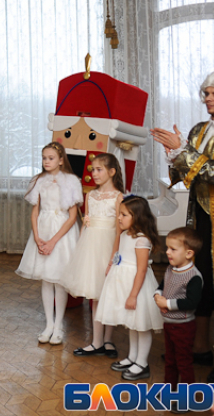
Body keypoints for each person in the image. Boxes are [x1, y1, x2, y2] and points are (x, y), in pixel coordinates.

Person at [151, 70, 214, 383]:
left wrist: (181, 151)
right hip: (198, 221)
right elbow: (185, 176)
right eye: (206, 94)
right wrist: (173, 156)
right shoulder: (200, 129)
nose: (208, 99)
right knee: (200, 285)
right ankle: (198, 347)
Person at [16, 142, 82, 346]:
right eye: (44, 157)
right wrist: (37, 237)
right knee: (46, 278)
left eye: (51, 158)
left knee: (59, 279)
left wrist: (54, 241)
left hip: (62, 233)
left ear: (61, 160)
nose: (47, 161)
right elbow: (35, 211)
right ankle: (49, 324)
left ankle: (59, 326)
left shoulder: (71, 181)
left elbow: (72, 217)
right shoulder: (38, 180)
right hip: (43, 229)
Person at [63, 153, 124, 358]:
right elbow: (86, 224)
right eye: (92, 170)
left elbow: (119, 230)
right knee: (96, 294)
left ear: (112, 172)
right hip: (91, 248)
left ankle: (108, 340)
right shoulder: (91, 195)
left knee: (109, 294)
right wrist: (79, 250)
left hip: (109, 247)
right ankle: (97, 341)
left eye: (99, 170)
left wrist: (113, 257)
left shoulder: (119, 197)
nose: (94, 174)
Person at [96, 195, 163, 380]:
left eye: (124, 215)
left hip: (137, 287)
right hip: (123, 283)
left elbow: (141, 270)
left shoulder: (142, 240)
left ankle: (142, 363)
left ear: (137, 216)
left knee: (142, 326)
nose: (119, 218)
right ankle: (133, 357)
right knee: (132, 324)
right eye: (119, 214)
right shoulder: (125, 235)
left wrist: (133, 295)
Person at [154, 227, 203, 399]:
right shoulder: (170, 269)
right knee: (170, 360)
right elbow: (162, 286)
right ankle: (169, 389)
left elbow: (191, 302)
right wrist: (157, 295)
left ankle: (187, 398)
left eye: (173, 249)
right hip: (169, 324)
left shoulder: (193, 276)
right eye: (167, 248)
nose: (167, 252)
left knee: (184, 363)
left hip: (183, 327)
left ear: (189, 253)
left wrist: (167, 303)